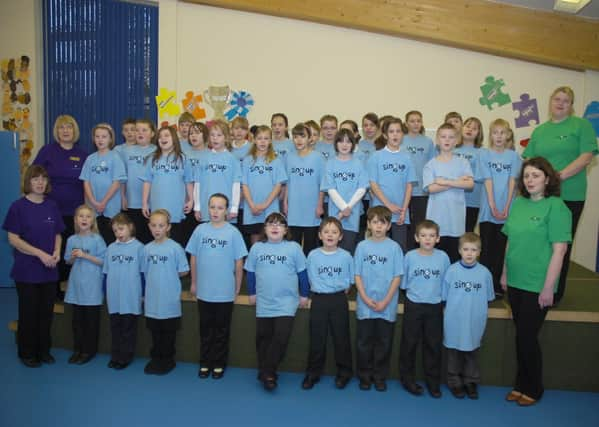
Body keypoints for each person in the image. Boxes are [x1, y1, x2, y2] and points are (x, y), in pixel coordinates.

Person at [501, 157, 571, 406]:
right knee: (521, 335)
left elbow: (559, 251)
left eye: (536, 176)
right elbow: (510, 241)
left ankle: (534, 387)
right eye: (527, 176)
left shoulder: (557, 207)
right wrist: (505, 273)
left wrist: (548, 288)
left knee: (528, 337)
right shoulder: (518, 204)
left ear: (548, 180)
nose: (530, 180)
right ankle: (520, 384)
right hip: (516, 282)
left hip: (537, 285)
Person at [523, 86, 598, 304]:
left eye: (566, 100)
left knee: (560, 245)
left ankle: (555, 292)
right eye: (557, 99)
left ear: (571, 105)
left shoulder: (581, 126)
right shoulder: (540, 131)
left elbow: (586, 157)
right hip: (541, 196)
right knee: (539, 242)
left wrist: (558, 176)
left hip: (569, 196)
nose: (561, 103)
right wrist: (534, 182)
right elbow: (530, 161)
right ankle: (536, 285)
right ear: (550, 101)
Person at [3, 165, 64, 367]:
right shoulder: (17, 207)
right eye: (35, 179)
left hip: (49, 268)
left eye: (43, 179)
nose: (39, 182)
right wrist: (40, 254)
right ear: (28, 182)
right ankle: (27, 352)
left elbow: (57, 233)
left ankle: (43, 350)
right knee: (28, 313)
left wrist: (56, 253)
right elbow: (13, 239)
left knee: (46, 313)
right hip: (27, 269)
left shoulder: (52, 206)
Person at [244, 212, 309, 390]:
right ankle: (267, 371)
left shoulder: (294, 248)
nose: (275, 227)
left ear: (285, 229)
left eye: (279, 224)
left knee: (280, 338)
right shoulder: (257, 248)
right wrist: (251, 292)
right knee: (263, 338)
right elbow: (250, 272)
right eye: (271, 224)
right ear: (265, 228)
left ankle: (267, 372)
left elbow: (302, 273)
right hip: (264, 301)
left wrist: (304, 294)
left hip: (287, 302)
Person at [186, 193, 248, 379]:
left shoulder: (233, 232)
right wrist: (194, 283)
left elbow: (239, 262)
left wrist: (237, 287)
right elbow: (194, 258)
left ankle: (219, 363)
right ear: (207, 208)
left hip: (224, 292)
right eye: (212, 207)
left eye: (220, 208)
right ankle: (205, 362)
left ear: (227, 211)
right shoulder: (200, 231)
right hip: (204, 291)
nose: (215, 211)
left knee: (221, 331)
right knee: (205, 330)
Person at [32, 114, 88, 295]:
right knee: (52, 248)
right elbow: (33, 175)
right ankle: (53, 289)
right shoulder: (47, 151)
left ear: (75, 131)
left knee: (72, 249)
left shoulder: (83, 154)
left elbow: (89, 183)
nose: (66, 131)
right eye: (62, 128)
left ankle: (71, 288)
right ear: (56, 131)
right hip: (50, 210)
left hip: (76, 212)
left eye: (69, 127)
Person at [354, 206, 404, 392]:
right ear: (368, 224)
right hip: (365, 304)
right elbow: (357, 274)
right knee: (364, 343)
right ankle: (365, 376)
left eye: (382, 223)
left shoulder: (394, 248)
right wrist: (365, 298)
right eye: (374, 222)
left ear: (389, 225)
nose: (378, 226)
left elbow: (397, 277)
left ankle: (379, 376)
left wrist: (385, 301)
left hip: (386, 305)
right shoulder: (362, 246)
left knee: (384, 343)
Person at [399, 220, 450, 398]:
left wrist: (443, 302)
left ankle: (433, 382)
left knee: (433, 346)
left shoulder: (443, 257)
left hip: (435, 306)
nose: (427, 239)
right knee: (409, 344)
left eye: (431, 236)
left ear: (437, 238)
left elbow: (446, 282)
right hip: (414, 304)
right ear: (416, 238)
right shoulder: (410, 256)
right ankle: (407, 379)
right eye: (423, 235)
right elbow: (404, 282)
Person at [302, 217, 354, 390]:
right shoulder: (313, 255)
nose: (330, 235)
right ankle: (313, 373)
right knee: (317, 338)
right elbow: (310, 278)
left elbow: (349, 281)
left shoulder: (346, 256)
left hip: (338, 299)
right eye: (326, 232)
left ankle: (344, 373)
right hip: (319, 300)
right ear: (319, 235)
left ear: (340, 236)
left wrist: (338, 289)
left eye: (334, 232)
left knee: (341, 338)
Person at [442, 232, 494, 400]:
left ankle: (471, 382)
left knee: (472, 352)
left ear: (479, 251)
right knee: (454, 353)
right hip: (454, 320)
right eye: (466, 249)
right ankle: (454, 382)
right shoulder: (452, 271)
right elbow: (444, 296)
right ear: (459, 250)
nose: (469, 253)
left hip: (474, 321)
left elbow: (488, 298)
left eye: (474, 249)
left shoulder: (485, 273)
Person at [142, 209, 190, 375]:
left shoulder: (175, 248)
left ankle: (167, 360)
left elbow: (184, 270)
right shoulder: (146, 249)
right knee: (155, 331)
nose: (157, 229)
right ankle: (156, 358)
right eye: (154, 225)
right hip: (152, 299)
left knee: (168, 332)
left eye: (161, 226)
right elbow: (144, 272)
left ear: (168, 227)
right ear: (149, 226)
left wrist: (168, 273)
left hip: (169, 299)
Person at [478, 119, 521, 297]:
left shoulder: (513, 157)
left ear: (508, 135)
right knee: (486, 249)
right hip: (489, 210)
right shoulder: (484, 154)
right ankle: (485, 285)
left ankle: (496, 285)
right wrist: (493, 205)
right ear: (490, 135)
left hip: (506, 210)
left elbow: (513, 181)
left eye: (502, 133)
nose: (499, 136)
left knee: (500, 249)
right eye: (495, 132)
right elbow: (488, 180)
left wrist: (507, 206)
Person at [423, 123, 474, 263]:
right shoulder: (431, 164)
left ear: (457, 140)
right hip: (436, 221)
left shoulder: (463, 163)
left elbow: (469, 184)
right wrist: (457, 182)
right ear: (438, 140)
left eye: (451, 137)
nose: (447, 140)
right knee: (436, 261)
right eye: (443, 137)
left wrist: (445, 182)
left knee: (453, 260)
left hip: (456, 222)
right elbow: (430, 188)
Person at [64, 204, 106, 365]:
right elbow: (68, 260)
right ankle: (78, 349)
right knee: (77, 321)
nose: (84, 219)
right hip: (76, 285)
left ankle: (89, 350)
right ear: (75, 219)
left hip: (92, 285)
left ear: (93, 220)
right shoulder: (71, 239)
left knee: (90, 321)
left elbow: (103, 261)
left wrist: (85, 256)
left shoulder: (97, 239)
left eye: (88, 216)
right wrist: (74, 257)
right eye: (81, 216)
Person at [368, 117, 416, 251]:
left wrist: (404, 210)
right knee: (378, 250)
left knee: (399, 249)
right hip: (381, 211)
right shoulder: (376, 156)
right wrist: (388, 205)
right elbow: (373, 184)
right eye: (391, 131)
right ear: (385, 135)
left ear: (402, 134)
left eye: (398, 131)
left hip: (400, 213)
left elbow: (409, 185)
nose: (395, 135)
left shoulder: (407, 157)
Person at [103, 213, 144, 370]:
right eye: (115, 231)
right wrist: (105, 292)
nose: (118, 233)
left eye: (121, 229)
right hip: (114, 297)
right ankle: (115, 355)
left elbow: (143, 274)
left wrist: (143, 294)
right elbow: (105, 273)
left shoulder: (140, 248)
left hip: (131, 297)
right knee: (115, 328)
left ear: (130, 228)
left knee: (128, 329)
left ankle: (125, 357)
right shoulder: (111, 248)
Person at [141, 125, 193, 246]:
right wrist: (144, 203)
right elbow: (147, 182)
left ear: (174, 138)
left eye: (166, 135)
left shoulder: (183, 159)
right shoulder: (152, 159)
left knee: (175, 243)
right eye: (160, 137)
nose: (162, 138)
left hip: (175, 208)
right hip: (157, 208)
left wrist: (191, 200)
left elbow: (188, 181)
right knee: (157, 243)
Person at [322, 128, 368, 254]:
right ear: (336, 144)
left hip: (352, 214)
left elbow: (362, 188)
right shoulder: (330, 164)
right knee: (333, 250)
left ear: (353, 144)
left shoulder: (358, 163)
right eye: (341, 141)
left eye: (348, 142)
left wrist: (348, 207)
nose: (344, 145)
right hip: (335, 215)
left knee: (348, 250)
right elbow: (330, 189)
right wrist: (343, 207)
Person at [79, 123, 127, 244]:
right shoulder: (90, 159)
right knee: (94, 239)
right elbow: (86, 181)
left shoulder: (115, 157)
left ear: (110, 139)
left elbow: (116, 183)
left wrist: (103, 202)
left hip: (110, 206)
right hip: (93, 206)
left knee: (109, 239)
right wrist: (94, 202)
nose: (100, 140)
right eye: (97, 136)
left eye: (104, 136)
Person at [284, 123, 325, 256]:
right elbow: (287, 183)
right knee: (293, 247)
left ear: (309, 139)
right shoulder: (288, 157)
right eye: (295, 137)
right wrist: (285, 202)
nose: (299, 140)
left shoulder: (318, 158)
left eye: (302, 136)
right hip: (294, 209)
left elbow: (322, 185)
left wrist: (319, 205)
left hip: (311, 210)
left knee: (310, 248)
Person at [241, 126, 287, 244]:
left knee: (271, 239)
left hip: (270, 208)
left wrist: (265, 205)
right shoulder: (247, 160)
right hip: (252, 208)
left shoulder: (276, 160)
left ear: (270, 141)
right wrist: (252, 205)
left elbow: (278, 185)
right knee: (255, 242)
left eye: (266, 138)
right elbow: (244, 184)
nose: (262, 141)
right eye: (259, 138)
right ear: (254, 140)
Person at [193, 120, 242, 225]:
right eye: (212, 135)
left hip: (225, 211)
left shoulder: (233, 160)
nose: (215, 138)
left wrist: (234, 207)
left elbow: (236, 185)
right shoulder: (203, 158)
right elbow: (197, 184)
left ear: (226, 137)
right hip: (206, 209)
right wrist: (197, 206)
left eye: (219, 135)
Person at [403, 111, 436, 249]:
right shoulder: (401, 140)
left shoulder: (428, 142)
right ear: (406, 123)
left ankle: (418, 253)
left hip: (421, 191)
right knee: (404, 225)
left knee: (419, 225)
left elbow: (432, 165)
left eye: (418, 121)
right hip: (403, 191)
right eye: (412, 121)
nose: (415, 124)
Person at [121, 118, 156, 243]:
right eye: (137, 130)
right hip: (132, 201)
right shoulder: (126, 152)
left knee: (150, 238)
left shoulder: (157, 151)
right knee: (135, 238)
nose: (140, 133)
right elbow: (122, 177)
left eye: (144, 130)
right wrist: (123, 196)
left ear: (152, 133)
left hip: (153, 203)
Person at [455, 117, 484, 232]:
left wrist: (467, 178)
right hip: (454, 198)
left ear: (478, 133)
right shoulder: (452, 149)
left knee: (467, 232)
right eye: (468, 126)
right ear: (462, 128)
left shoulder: (482, 152)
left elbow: (483, 176)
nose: (470, 130)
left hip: (473, 200)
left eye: (474, 128)